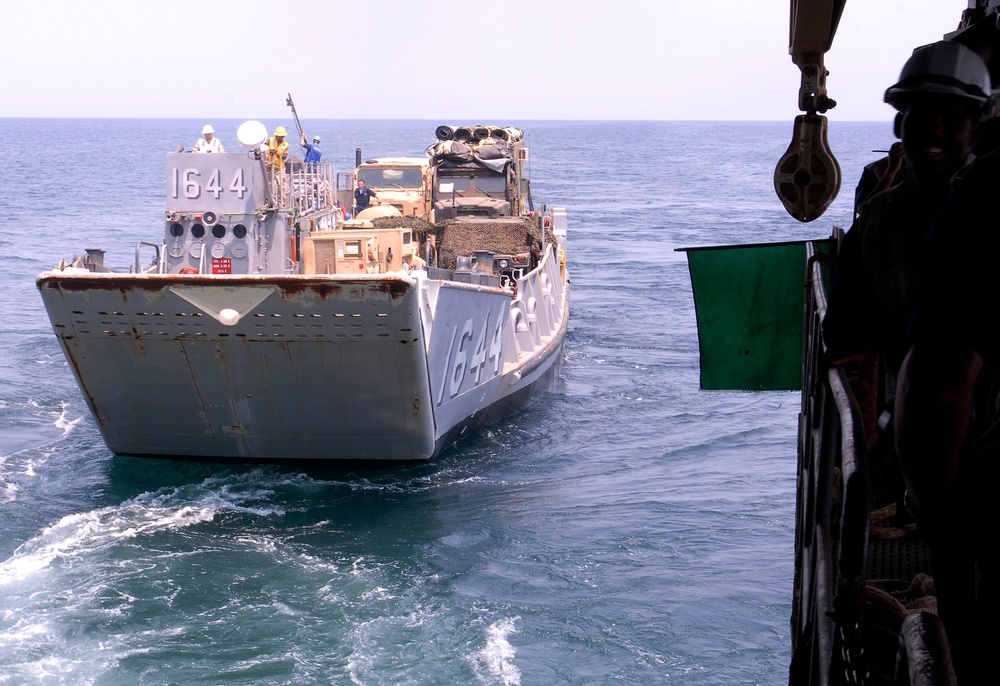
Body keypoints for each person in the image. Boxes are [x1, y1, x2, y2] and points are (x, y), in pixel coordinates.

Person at [822, 41, 988, 453]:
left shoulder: (997, 214)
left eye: (951, 118)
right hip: (912, 425)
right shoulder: (876, 222)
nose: (934, 129)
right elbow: (846, 320)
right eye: (921, 115)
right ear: (899, 125)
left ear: (975, 129)